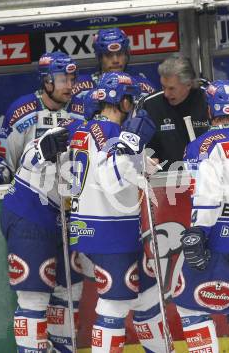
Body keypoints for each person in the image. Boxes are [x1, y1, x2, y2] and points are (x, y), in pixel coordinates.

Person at [68, 72, 160, 352]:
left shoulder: (81, 130)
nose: (133, 106)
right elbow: (111, 180)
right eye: (131, 99)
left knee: (148, 297)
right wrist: (131, 143)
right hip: (112, 231)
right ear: (122, 100)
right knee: (114, 305)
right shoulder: (111, 133)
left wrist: (140, 162)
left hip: (95, 226)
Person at [173, 80, 229, 353]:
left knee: (190, 309)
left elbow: (207, 195)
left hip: (219, 239)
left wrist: (198, 232)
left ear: (210, 107)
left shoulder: (203, 145)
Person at [0, 115, 84, 352]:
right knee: (33, 298)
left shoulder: (113, 140)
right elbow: (31, 154)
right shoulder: (68, 131)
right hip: (31, 216)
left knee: (69, 292)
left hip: (63, 220)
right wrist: (42, 148)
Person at [0, 52, 83, 187]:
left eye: (72, 79)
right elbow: (3, 160)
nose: (69, 86)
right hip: (33, 196)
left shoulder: (83, 110)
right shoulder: (21, 111)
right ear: (47, 81)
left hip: (73, 194)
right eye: (63, 80)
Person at [143, 55, 210, 170]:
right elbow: (139, 149)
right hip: (166, 181)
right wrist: (145, 161)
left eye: (171, 88)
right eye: (163, 87)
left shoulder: (209, 100)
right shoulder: (150, 105)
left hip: (208, 180)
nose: (166, 94)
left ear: (188, 84)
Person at [72, 28, 156, 99]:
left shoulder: (143, 87)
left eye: (119, 54)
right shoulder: (81, 88)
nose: (115, 60)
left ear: (126, 55)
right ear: (99, 58)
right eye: (109, 55)